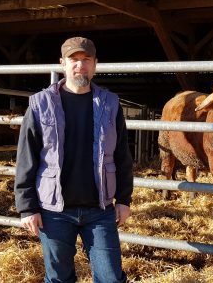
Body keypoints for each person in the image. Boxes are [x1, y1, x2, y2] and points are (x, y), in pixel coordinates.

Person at [14, 36, 133, 283]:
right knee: (59, 277)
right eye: (74, 60)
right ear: (62, 64)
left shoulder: (110, 104)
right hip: (53, 210)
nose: (80, 65)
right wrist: (27, 207)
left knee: (111, 277)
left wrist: (123, 199)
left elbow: (122, 154)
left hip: (99, 209)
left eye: (86, 60)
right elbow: (27, 156)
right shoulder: (40, 104)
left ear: (95, 64)